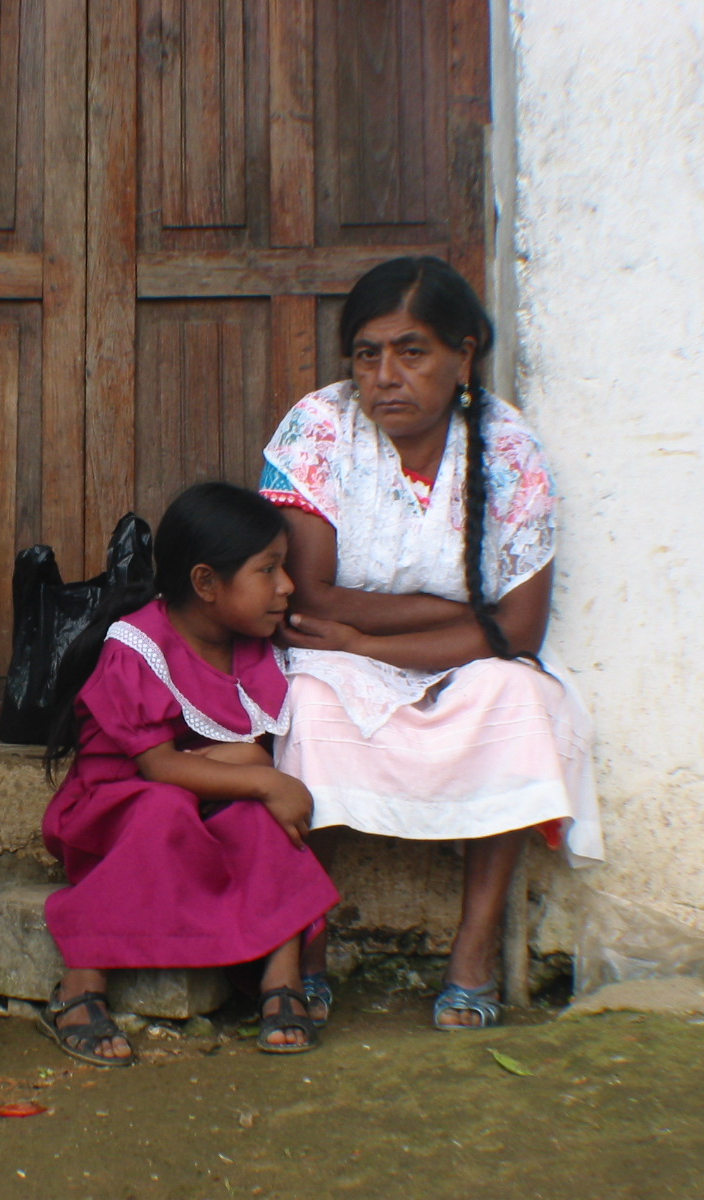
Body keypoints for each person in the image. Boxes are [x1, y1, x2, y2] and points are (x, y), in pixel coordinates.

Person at [259, 255, 603, 1031]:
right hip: (341, 657)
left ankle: (473, 954)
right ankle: (306, 948)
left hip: (442, 659)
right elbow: (310, 600)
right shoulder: (321, 427)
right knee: (309, 706)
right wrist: (448, 616)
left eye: (412, 352)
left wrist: (369, 633)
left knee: (517, 698)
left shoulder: (508, 449)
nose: (386, 375)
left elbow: (518, 631)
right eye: (368, 353)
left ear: (464, 355)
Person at [37, 483, 340, 1064]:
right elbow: (158, 768)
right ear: (206, 584)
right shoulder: (137, 646)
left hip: (203, 796)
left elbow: (241, 752)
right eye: (269, 570)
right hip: (114, 808)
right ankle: (82, 982)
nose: (288, 586)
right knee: (168, 808)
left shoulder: (253, 645)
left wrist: (244, 769)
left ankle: (283, 977)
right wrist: (262, 775)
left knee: (257, 821)